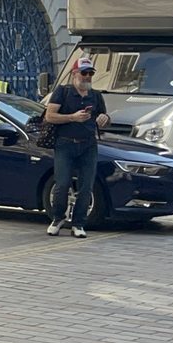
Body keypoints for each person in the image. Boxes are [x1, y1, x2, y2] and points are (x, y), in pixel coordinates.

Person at [43, 57, 109, 238]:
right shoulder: (63, 92)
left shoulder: (95, 95)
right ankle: (58, 218)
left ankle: (78, 223)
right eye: (84, 73)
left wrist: (104, 118)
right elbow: (50, 116)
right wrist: (72, 117)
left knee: (86, 186)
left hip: (88, 145)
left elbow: (104, 117)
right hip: (65, 144)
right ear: (74, 74)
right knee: (62, 184)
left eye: (90, 73)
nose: (87, 77)